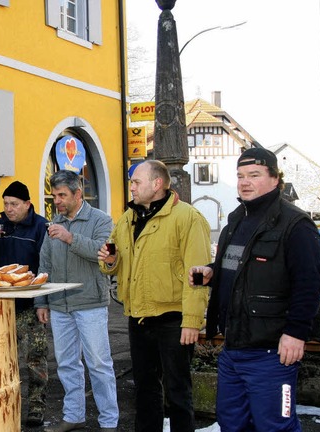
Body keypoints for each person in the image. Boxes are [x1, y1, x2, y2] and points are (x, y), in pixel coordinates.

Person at [191, 148, 320, 431]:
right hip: (233, 349)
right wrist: (212, 271)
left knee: (276, 426)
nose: (244, 182)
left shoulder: (296, 224)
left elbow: (310, 284)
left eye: (254, 175)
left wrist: (296, 333)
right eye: (240, 176)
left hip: (272, 353)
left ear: (275, 179)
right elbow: (240, 265)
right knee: (232, 424)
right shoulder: (237, 219)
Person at [99, 160, 211, 432]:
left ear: (157, 184)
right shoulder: (129, 217)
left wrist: (192, 321)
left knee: (178, 392)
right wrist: (110, 261)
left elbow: (198, 274)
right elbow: (114, 262)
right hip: (138, 316)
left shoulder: (187, 217)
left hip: (174, 318)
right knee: (145, 390)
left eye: (137, 182)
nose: (132, 187)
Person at [35, 170, 119, 432]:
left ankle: (109, 421)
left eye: (62, 195)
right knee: (67, 364)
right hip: (59, 305)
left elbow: (104, 255)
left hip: (90, 302)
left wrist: (71, 237)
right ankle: (73, 415)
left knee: (99, 364)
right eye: (54, 195)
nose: (57, 200)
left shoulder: (101, 220)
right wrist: (41, 301)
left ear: (78, 194)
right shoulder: (54, 223)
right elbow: (44, 264)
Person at [0, 180, 49, 427]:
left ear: (27, 204)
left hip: (28, 302)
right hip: (1, 305)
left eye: (14, 204)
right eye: (5, 204)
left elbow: (47, 265)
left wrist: (41, 302)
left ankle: (36, 405)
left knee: (34, 357)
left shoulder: (40, 227)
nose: (9, 208)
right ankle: (7, 401)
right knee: (3, 357)